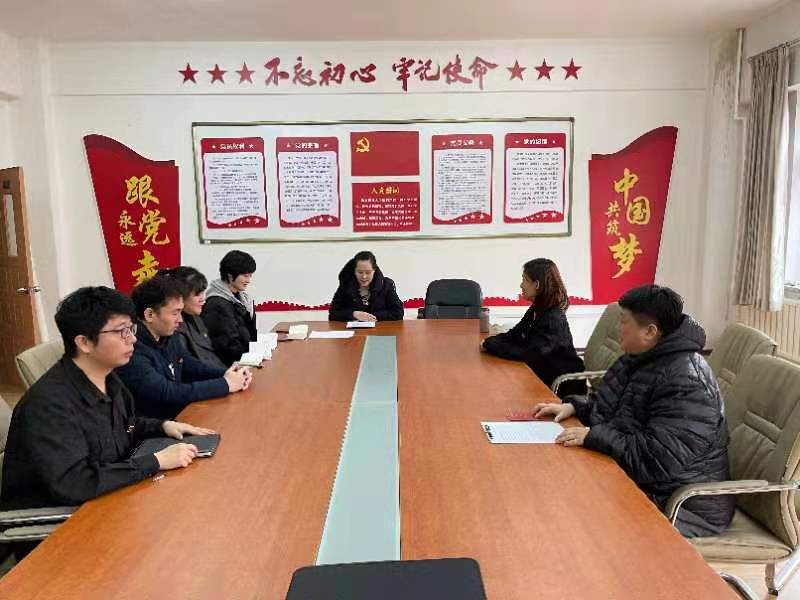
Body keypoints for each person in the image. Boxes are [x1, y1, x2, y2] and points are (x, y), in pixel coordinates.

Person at [533, 284, 735, 538]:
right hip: (645, 482)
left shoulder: (686, 381)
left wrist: (594, 436)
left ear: (650, 331)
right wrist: (574, 406)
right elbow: (614, 407)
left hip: (681, 503)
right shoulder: (642, 355)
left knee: (569, 519)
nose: (618, 328)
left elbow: (655, 458)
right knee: (551, 486)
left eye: (623, 321)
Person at [1, 286, 214, 514]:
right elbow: (75, 483)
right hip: (63, 518)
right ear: (84, 342)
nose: (133, 339)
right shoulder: (49, 404)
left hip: (110, 496)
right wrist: (156, 461)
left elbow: (124, 425)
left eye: (131, 328)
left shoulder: (108, 378)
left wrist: (162, 425)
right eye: (121, 331)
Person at [117, 275, 251, 420]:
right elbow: (167, 392)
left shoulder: (169, 335)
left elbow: (191, 365)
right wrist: (226, 384)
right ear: (150, 314)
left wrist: (231, 373)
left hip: (182, 415)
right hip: (157, 425)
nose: (180, 320)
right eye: (175, 313)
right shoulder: (131, 350)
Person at [481, 258, 585, 397]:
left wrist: (492, 346)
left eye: (524, 279)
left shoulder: (552, 319)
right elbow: (515, 334)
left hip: (561, 387)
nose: (521, 285)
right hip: (541, 375)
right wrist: (489, 342)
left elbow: (530, 355)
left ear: (537, 285)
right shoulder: (537, 309)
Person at [159, 266, 226, 371]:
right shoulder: (174, 330)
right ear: (181, 296)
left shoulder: (195, 317)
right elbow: (190, 368)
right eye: (197, 294)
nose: (203, 299)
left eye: (203, 292)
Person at [202, 250, 258, 366]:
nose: (248, 280)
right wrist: (252, 356)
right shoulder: (216, 304)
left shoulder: (242, 298)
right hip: (231, 366)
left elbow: (250, 331)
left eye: (250, 275)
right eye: (245, 276)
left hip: (246, 359)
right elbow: (226, 346)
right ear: (230, 275)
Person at [328, 251, 404, 322]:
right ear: (354, 271)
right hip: (353, 331)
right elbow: (333, 314)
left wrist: (370, 316)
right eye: (360, 272)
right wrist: (353, 314)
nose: (364, 276)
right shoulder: (346, 285)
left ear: (374, 270)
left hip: (380, 329)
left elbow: (398, 313)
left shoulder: (386, 285)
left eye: (368, 272)